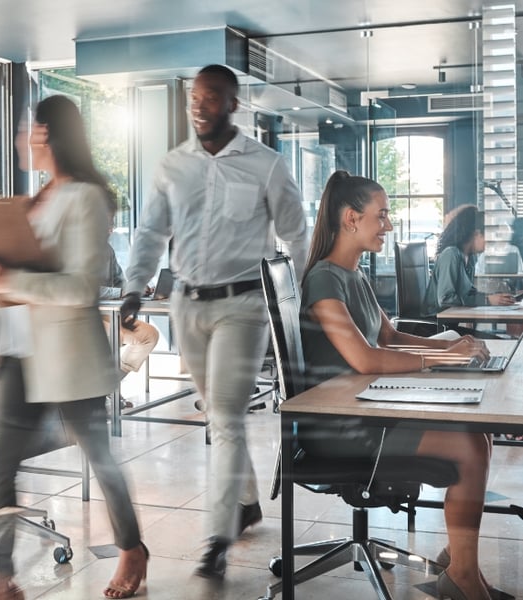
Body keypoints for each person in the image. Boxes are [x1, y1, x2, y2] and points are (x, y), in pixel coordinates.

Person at [120, 64, 308, 580]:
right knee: (219, 417)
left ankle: (218, 537)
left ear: (233, 104)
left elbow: (296, 237)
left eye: (211, 97)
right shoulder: (171, 166)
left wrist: (301, 302)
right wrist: (135, 286)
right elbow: (150, 233)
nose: (199, 105)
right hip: (187, 305)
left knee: (224, 416)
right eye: (194, 97)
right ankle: (245, 501)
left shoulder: (266, 165)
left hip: (243, 308)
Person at [0, 95, 147, 600]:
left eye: (27, 128)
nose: (20, 138)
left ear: (47, 133)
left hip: (68, 358)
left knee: (100, 456)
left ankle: (131, 548)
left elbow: (79, 288)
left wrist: (14, 277)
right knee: (1, 465)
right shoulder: (36, 197)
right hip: (16, 351)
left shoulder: (88, 198)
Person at [299, 170, 494, 600]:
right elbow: (365, 358)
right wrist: (442, 357)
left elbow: (388, 337)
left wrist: (451, 348)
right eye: (382, 215)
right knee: (467, 445)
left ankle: (461, 563)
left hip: (366, 411)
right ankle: (461, 576)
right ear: (351, 218)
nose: (389, 225)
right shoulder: (324, 279)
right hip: (339, 429)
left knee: (478, 437)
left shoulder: (355, 275)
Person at [422, 204, 516, 337]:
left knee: (498, 339)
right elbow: (446, 299)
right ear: (476, 234)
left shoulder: (470, 258)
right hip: (435, 328)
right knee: (496, 340)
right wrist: (488, 300)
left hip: (450, 327)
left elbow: (468, 292)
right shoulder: (451, 254)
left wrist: (494, 297)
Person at [100, 233, 159, 407]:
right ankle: (100, 389)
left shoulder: (107, 250)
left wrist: (135, 289)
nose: (109, 228)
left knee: (149, 334)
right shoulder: (73, 248)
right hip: (84, 316)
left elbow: (118, 282)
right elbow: (82, 289)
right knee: (112, 339)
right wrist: (119, 293)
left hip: (109, 313)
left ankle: (109, 385)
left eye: (111, 223)